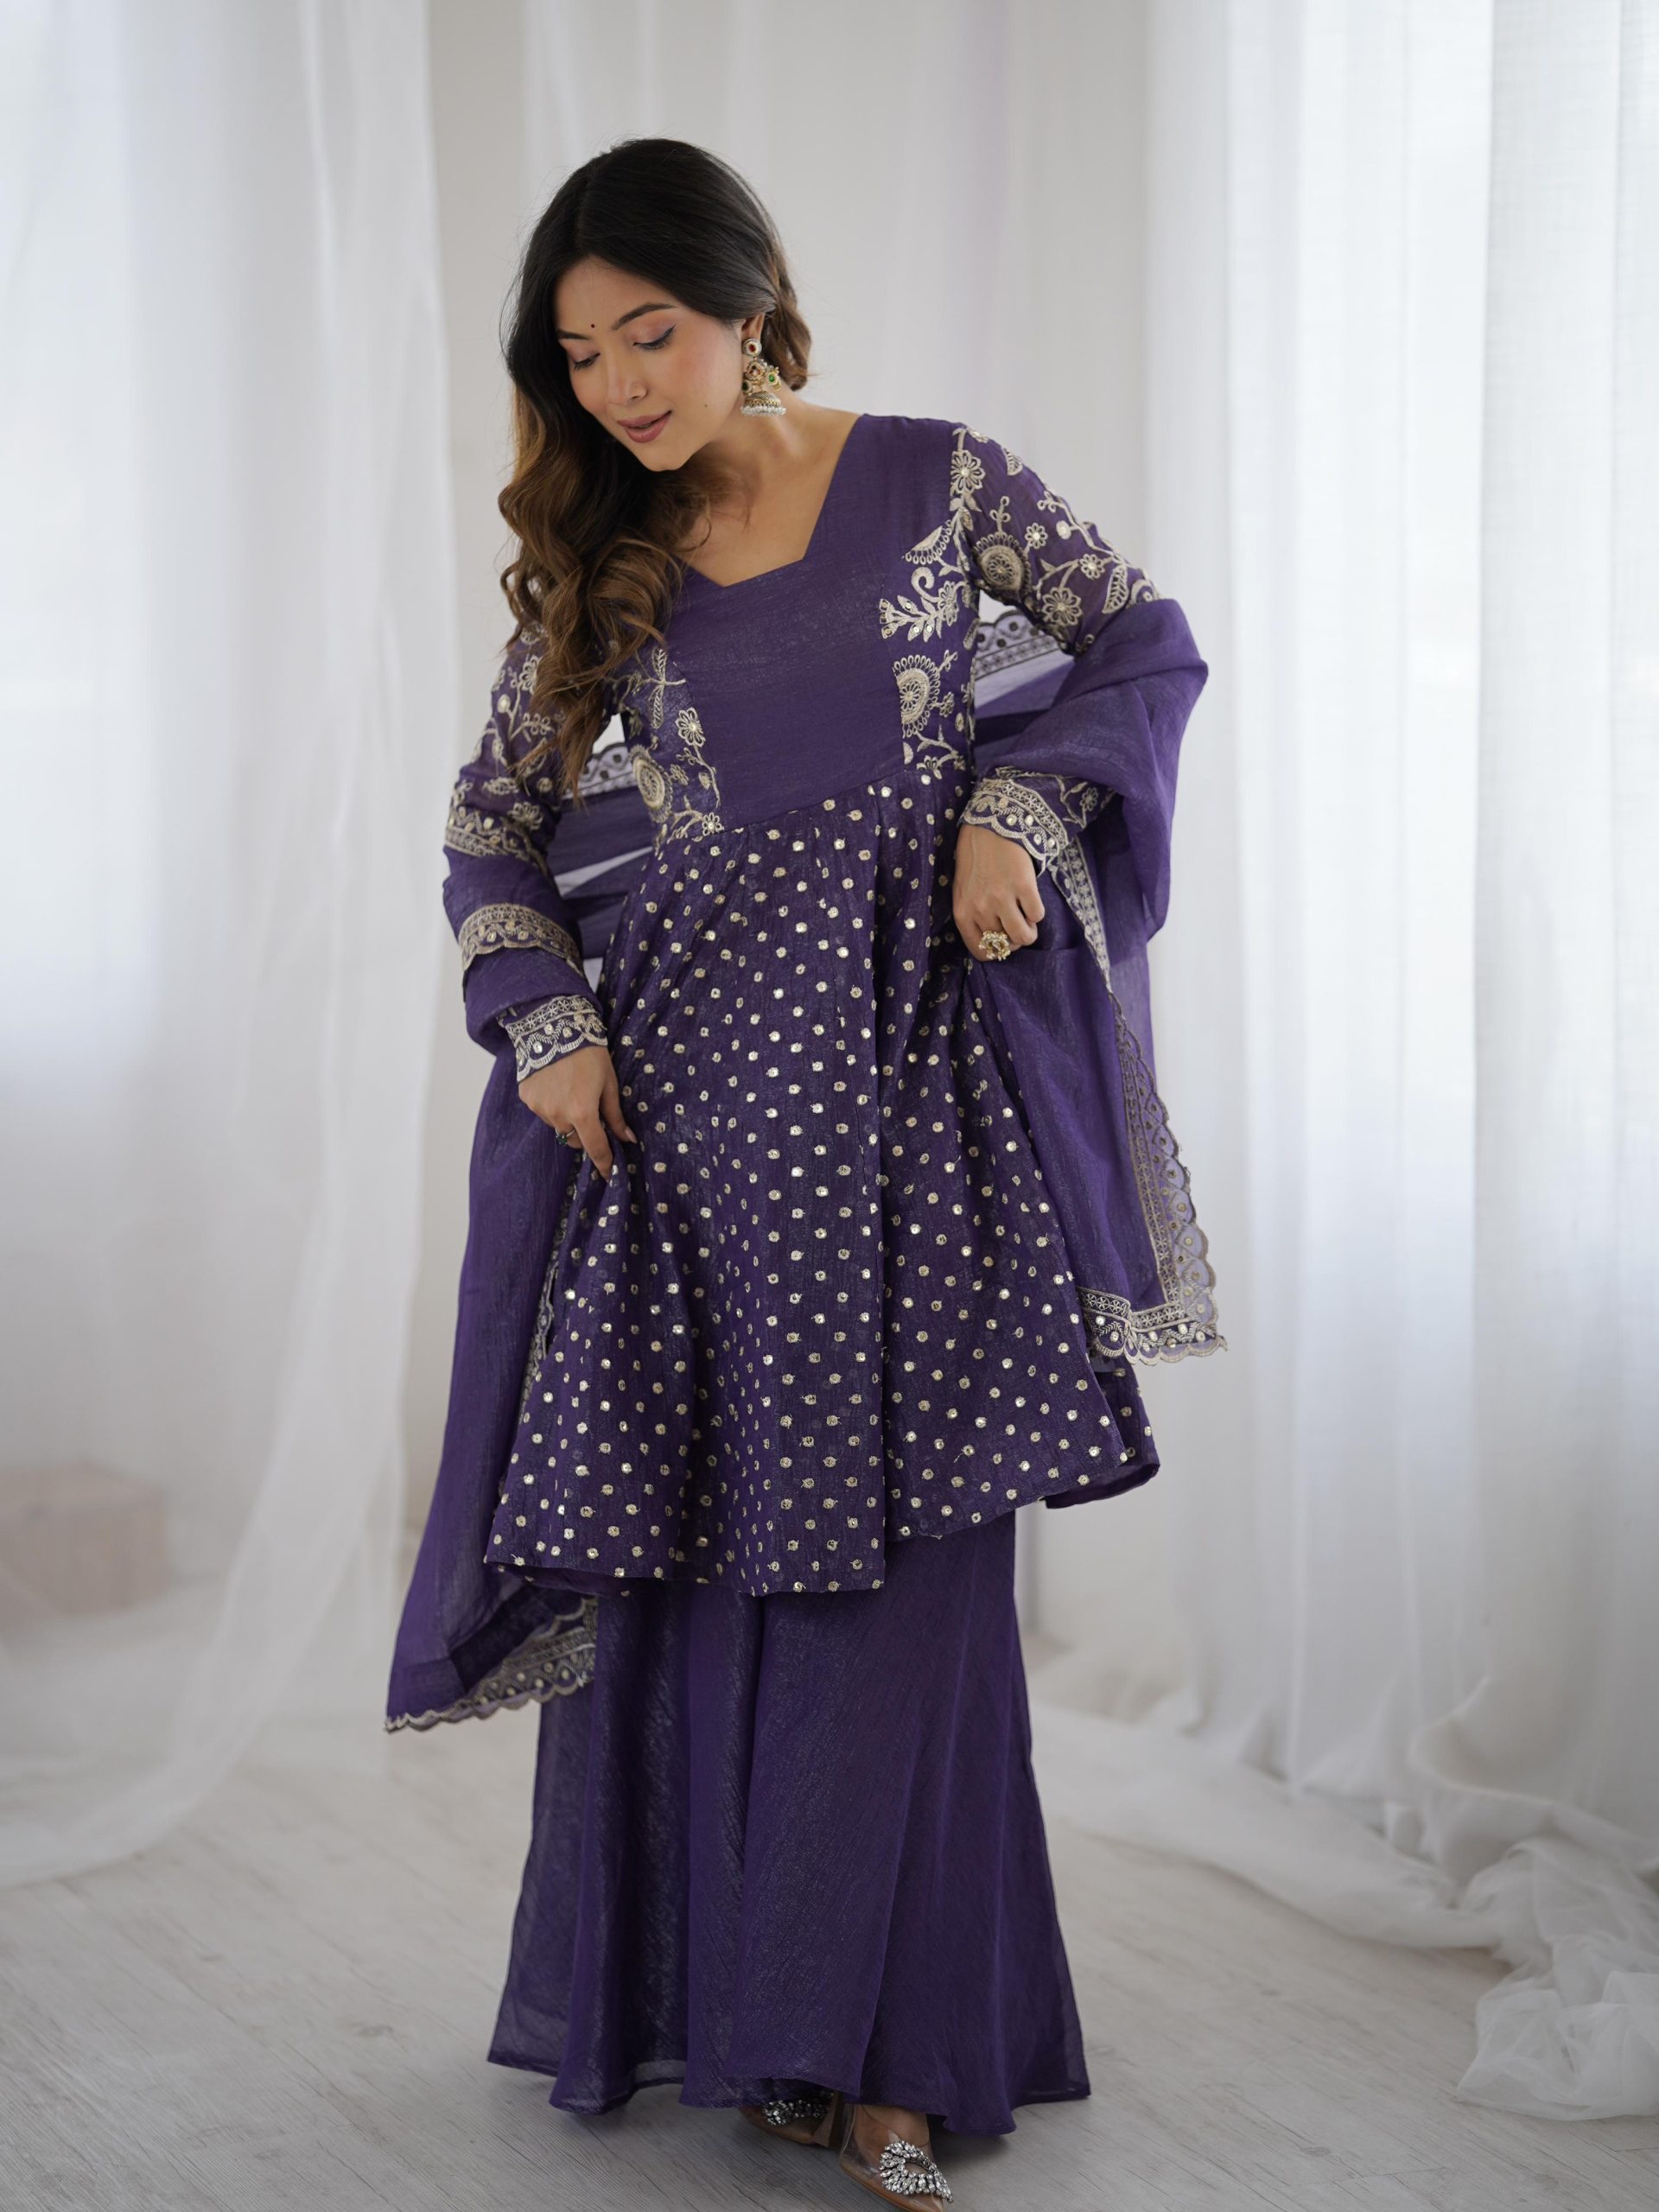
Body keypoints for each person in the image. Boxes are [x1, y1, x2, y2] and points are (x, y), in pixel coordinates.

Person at [385, 136, 1223, 2209]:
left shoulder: (939, 483)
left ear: (752, 298)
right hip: (687, 1146)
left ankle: (898, 2066)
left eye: (649, 332)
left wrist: (1019, 805)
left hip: (928, 1111)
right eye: (579, 355)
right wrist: (552, 1028)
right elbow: (492, 835)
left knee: (920, 1585)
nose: (617, 385)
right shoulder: (606, 560)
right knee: (704, 1574)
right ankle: (760, 2025)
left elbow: (1141, 638)